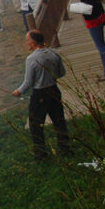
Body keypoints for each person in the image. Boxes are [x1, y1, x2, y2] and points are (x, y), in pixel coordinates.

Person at [12, 30, 72, 160]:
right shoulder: (53, 53)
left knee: (35, 125)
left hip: (40, 95)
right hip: (54, 90)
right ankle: (65, 149)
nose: (26, 43)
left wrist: (18, 91)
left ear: (33, 42)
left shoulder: (31, 59)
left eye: (27, 40)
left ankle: (40, 154)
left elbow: (28, 82)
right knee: (59, 121)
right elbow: (61, 73)